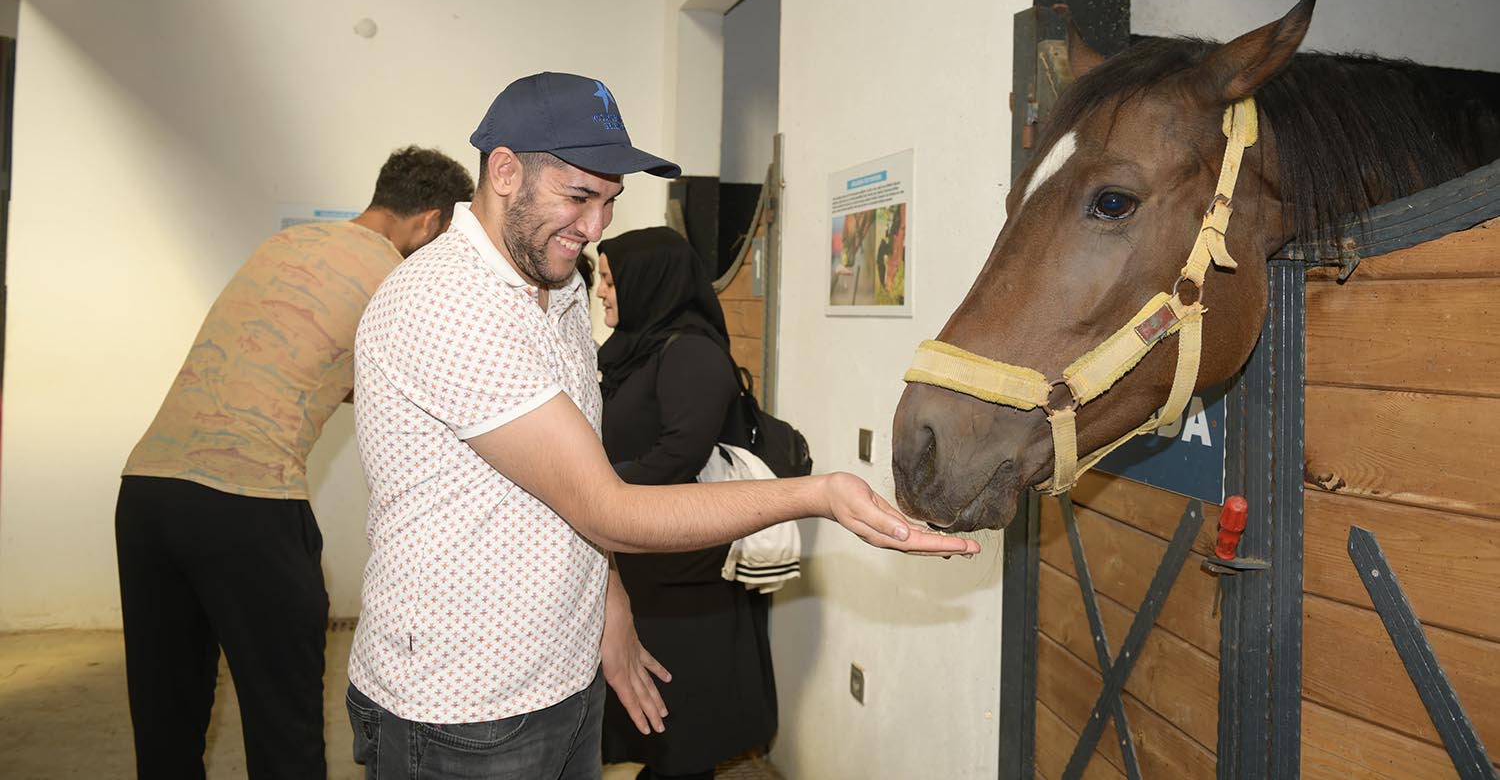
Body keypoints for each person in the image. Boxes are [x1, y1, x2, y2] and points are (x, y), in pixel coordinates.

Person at [345, 71, 978, 780]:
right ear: (503, 170)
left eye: (610, 202)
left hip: (562, 679)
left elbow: (569, 498)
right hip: (464, 708)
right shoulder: (449, 303)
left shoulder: (557, 290)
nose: (595, 229)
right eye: (578, 196)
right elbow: (606, 508)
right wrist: (818, 494)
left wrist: (608, 608)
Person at [115, 145, 475, 780]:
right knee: (285, 725)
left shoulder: (285, 246)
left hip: (147, 491)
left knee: (165, 719)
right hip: (246, 502)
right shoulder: (398, 276)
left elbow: (306, 360)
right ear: (431, 222)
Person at [595, 227, 777, 780]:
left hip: (685, 576)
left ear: (647, 283)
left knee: (684, 729)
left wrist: (597, 498)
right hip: (642, 559)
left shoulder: (692, 353)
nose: (601, 292)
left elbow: (680, 451)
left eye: (609, 280)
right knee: (657, 729)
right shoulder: (634, 350)